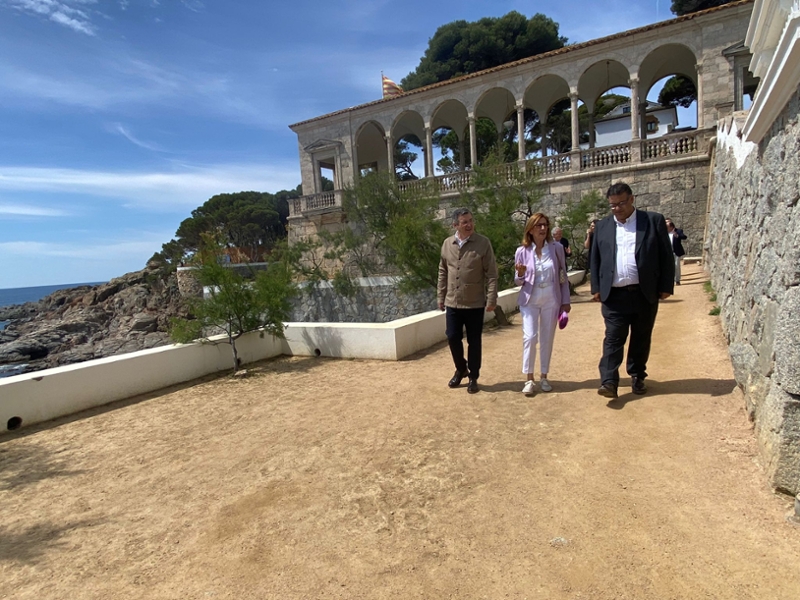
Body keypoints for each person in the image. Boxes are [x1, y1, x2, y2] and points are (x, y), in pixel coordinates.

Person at [590, 182, 674, 399]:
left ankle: (637, 375)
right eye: (612, 205)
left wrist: (666, 286)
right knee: (613, 338)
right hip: (614, 295)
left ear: (632, 199)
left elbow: (666, 255)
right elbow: (595, 259)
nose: (617, 209)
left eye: (621, 204)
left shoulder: (652, 221)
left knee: (641, 337)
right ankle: (609, 381)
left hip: (644, 293)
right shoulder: (603, 226)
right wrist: (596, 287)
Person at [438, 208, 498, 394]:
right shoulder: (447, 244)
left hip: (475, 303)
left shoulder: (483, 243)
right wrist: (440, 296)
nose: (469, 224)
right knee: (452, 337)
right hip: (453, 302)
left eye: (471, 220)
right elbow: (442, 271)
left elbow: (492, 273)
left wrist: (492, 298)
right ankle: (461, 368)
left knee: (474, 341)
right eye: (465, 222)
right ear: (455, 225)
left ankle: (473, 376)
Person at [514, 213, 571, 395]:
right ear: (530, 229)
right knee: (530, 337)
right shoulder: (522, 251)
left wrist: (565, 301)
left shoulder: (556, 248)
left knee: (547, 338)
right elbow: (518, 281)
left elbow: (563, 276)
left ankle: (544, 376)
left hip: (551, 298)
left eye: (545, 225)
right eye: (538, 225)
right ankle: (529, 378)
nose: (543, 228)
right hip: (530, 298)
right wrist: (520, 274)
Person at [665, 219, 687, 285]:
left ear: (671, 227)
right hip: (668, 252)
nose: (666, 228)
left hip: (676, 251)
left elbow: (684, 237)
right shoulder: (665, 232)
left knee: (676, 266)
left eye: (667, 227)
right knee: (669, 266)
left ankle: (677, 280)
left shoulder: (678, 231)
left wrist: (677, 236)